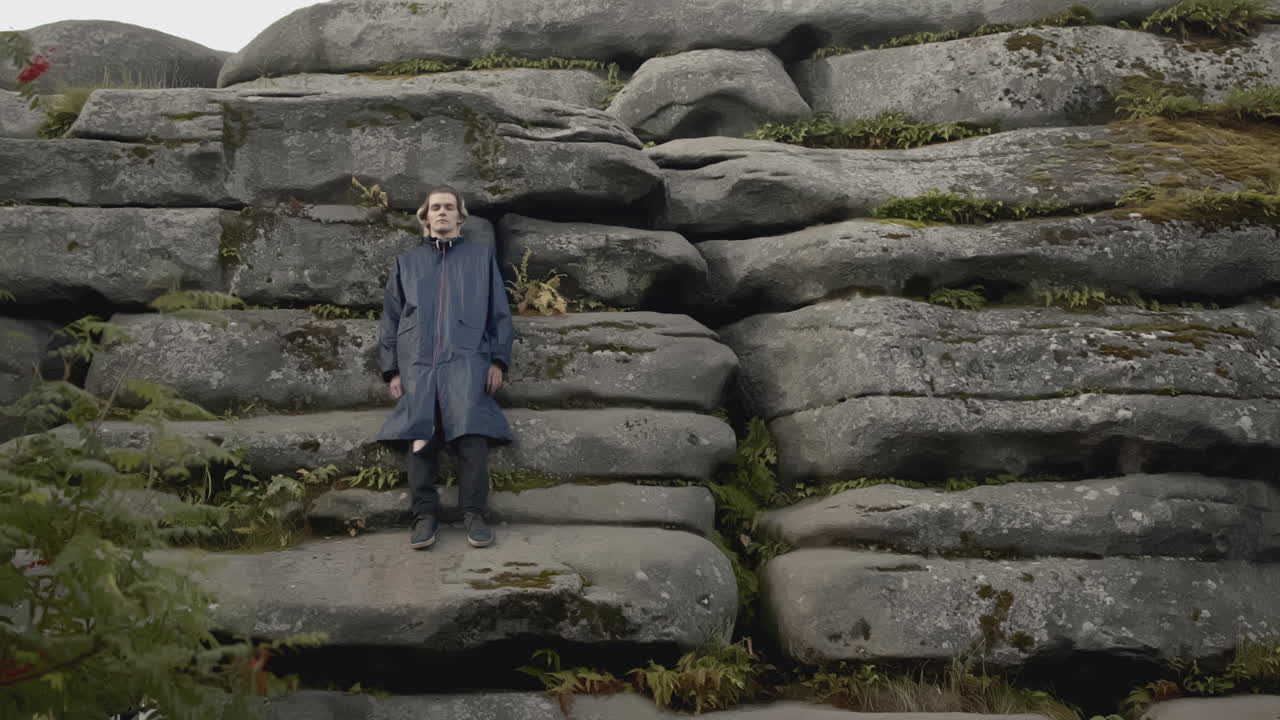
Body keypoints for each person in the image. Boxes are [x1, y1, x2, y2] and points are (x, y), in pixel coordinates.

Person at [376, 185, 513, 550]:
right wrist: (392, 369)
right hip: (418, 361)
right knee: (420, 434)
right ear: (425, 217)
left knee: (471, 432)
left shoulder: (480, 259)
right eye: (435, 207)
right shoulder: (407, 263)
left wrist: (498, 359)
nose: (441, 212)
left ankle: (474, 515)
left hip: (467, 357)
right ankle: (424, 516)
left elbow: (499, 312)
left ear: (459, 217)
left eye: (448, 207)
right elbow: (391, 318)